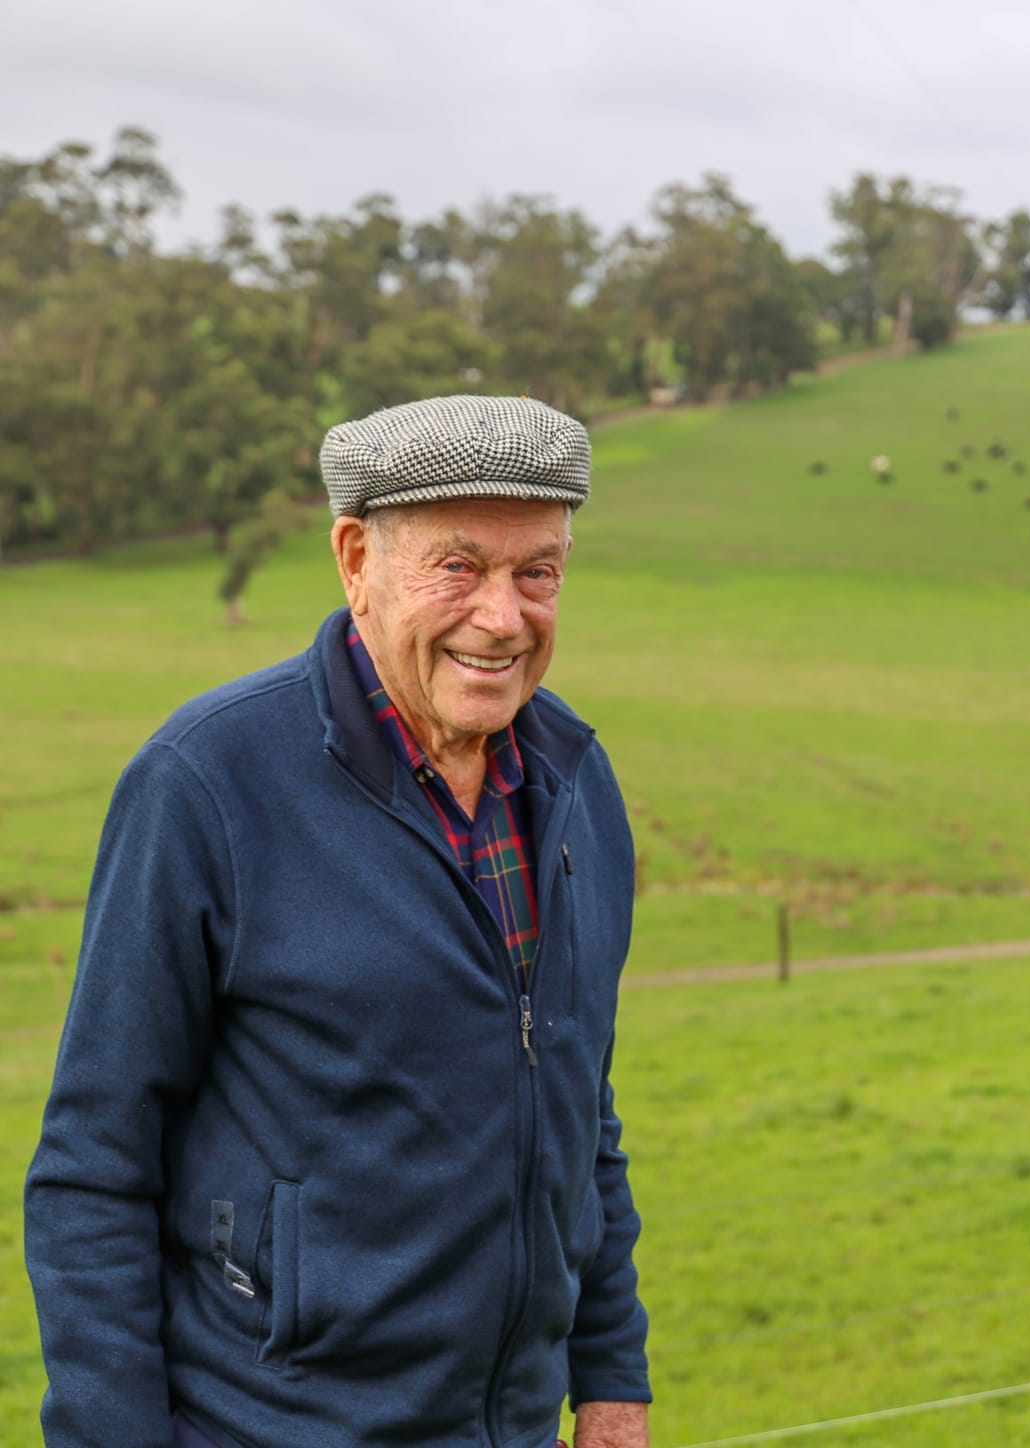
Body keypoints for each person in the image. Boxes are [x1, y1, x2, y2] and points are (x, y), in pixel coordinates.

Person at [25, 396, 652, 1448]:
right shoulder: (209, 784)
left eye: (536, 571)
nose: (502, 615)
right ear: (356, 557)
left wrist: (611, 1376)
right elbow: (95, 1162)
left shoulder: (576, 781)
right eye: (458, 566)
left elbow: (579, 1105)